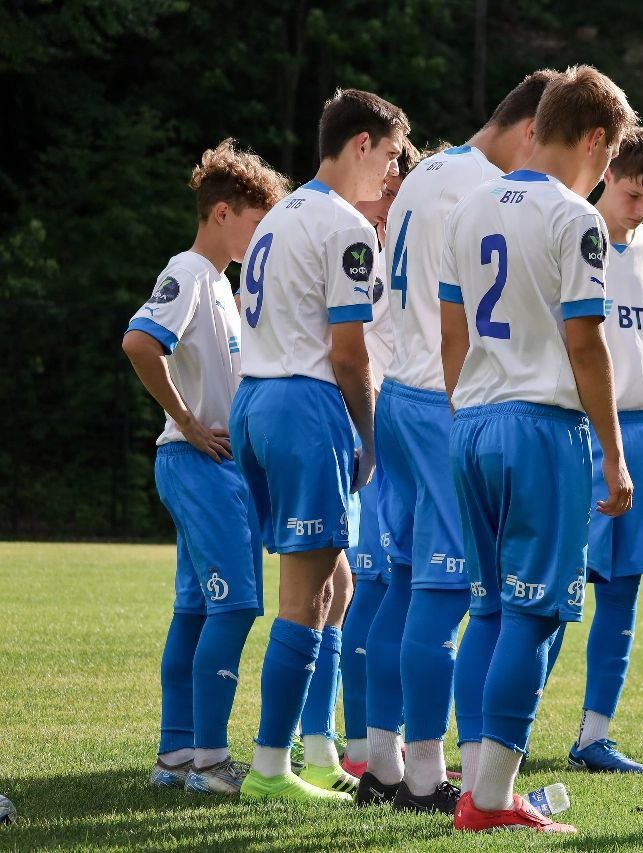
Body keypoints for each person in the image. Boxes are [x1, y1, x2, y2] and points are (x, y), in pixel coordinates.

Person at [440, 64, 637, 833]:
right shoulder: (573, 218)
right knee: (534, 615)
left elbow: (452, 336)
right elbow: (585, 343)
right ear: (596, 139)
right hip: (541, 428)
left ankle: (475, 787)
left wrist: (472, 412)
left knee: (487, 608)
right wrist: (614, 455)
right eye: (612, 155)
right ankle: (491, 801)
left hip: (473, 421)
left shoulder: (469, 205)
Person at [358, 70, 558, 812]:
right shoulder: (479, 187)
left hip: (402, 395)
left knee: (406, 586)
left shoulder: (425, 172)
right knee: (451, 596)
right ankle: (433, 778)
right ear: (533, 128)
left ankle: (383, 762)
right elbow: (469, 311)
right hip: (444, 397)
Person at [229, 87, 409, 803]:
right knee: (306, 597)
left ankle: (321, 750)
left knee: (337, 585)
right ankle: (270, 769)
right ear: (361, 143)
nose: (392, 173)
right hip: (304, 405)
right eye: (391, 156)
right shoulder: (345, 227)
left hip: (257, 399)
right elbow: (348, 353)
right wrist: (370, 435)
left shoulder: (282, 215)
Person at [123, 139, 288, 795]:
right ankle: (212, 761)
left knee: (196, 609)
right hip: (198, 463)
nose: (260, 234)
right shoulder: (190, 272)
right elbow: (140, 340)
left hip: (209, 466)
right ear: (222, 212)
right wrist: (188, 420)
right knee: (238, 605)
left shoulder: (220, 282)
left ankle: (176, 754)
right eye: (255, 219)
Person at [545, 127, 643, 774]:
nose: (639, 211)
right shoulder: (569, 231)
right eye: (633, 194)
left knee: (623, 590)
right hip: (578, 432)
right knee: (553, 589)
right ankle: (506, 731)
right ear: (607, 172)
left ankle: (593, 735)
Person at [286, 141, 420, 790]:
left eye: (398, 193)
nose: (385, 202)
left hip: (395, 433)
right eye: (384, 187)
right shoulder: (347, 246)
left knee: (364, 589)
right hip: (354, 434)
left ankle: (359, 742)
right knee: (344, 588)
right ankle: (336, 742)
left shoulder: (406, 258)